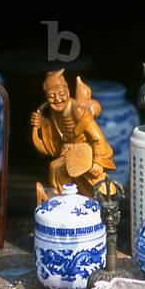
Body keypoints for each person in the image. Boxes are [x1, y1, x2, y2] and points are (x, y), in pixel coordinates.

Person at [30, 69, 117, 200]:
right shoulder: (54, 112)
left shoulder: (78, 110)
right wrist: (41, 124)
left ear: (67, 91)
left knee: (99, 188)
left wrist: (98, 161)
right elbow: (54, 140)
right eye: (52, 96)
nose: (57, 99)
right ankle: (61, 202)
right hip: (67, 153)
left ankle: (99, 203)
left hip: (85, 154)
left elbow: (98, 137)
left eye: (61, 93)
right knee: (54, 168)